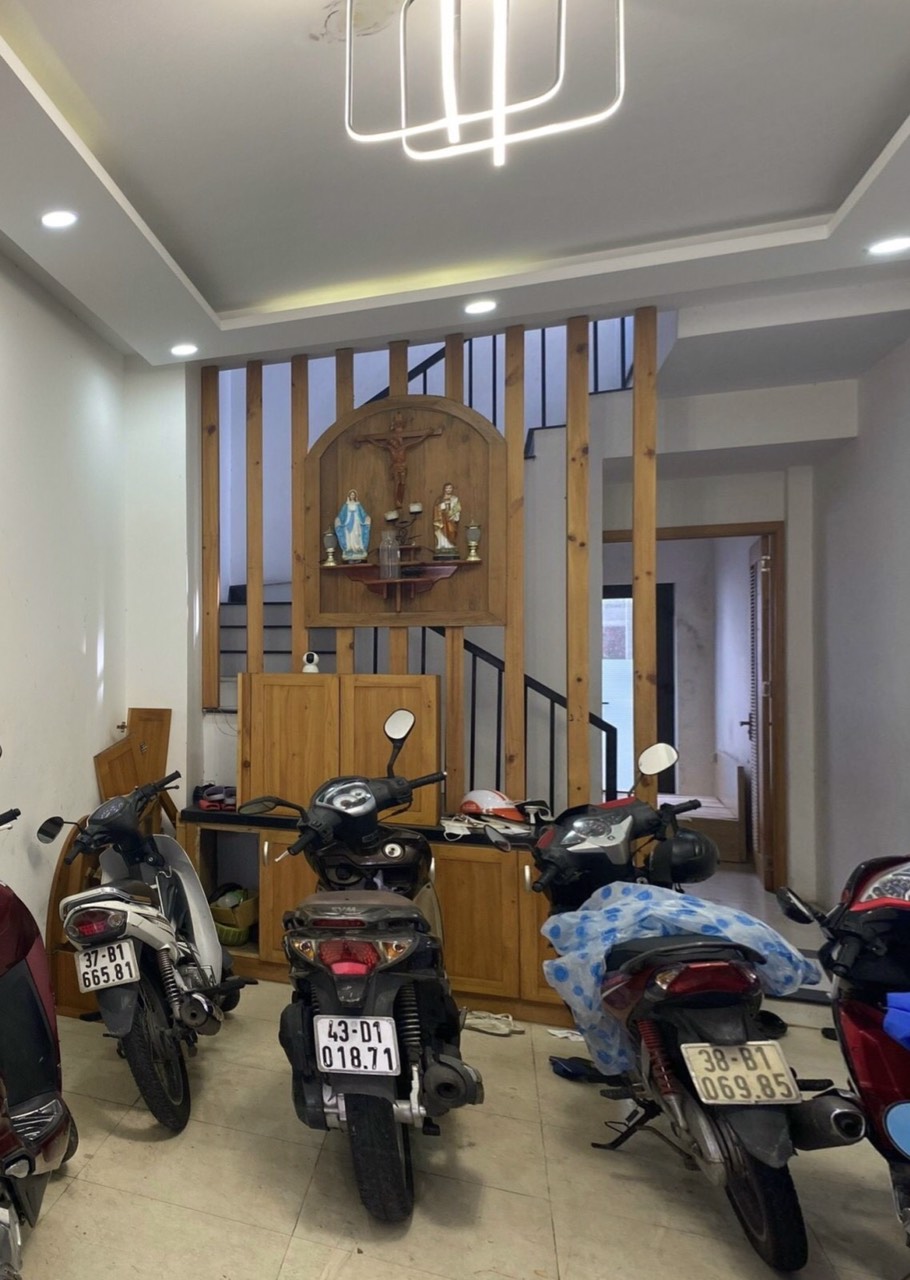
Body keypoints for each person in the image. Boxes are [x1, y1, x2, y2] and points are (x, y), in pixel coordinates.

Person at [334, 489, 371, 561]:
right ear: (349, 496)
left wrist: (366, 518)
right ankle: (349, 549)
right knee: (349, 536)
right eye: (351, 495)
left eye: (353, 495)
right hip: (348, 523)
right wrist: (339, 519)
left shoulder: (358, 505)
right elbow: (342, 514)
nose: (352, 496)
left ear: (355, 496)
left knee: (356, 535)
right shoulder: (346, 505)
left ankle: (357, 548)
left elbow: (363, 514)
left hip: (356, 523)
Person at [433, 482, 461, 555]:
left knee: (451, 530)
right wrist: (440, 508)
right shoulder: (439, 499)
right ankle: (442, 546)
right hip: (442, 519)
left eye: (450, 488)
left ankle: (450, 545)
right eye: (447, 488)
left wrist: (453, 514)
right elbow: (436, 509)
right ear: (444, 489)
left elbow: (457, 509)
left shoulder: (455, 499)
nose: (448, 489)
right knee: (441, 531)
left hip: (451, 519)